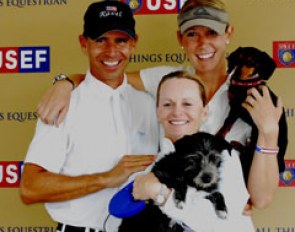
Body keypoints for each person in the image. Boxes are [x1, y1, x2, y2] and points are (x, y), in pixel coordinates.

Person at [36, 0, 285, 213]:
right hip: (167, 217)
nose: (202, 43)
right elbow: (107, 75)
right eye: (192, 34)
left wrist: (269, 132)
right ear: (180, 38)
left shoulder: (256, 97)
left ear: (228, 33)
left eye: (212, 33)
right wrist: (66, 83)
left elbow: (261, 199)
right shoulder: (168, 80)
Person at [20, 1, 159, 232]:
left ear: (134, 44)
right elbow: (30, 188)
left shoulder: (150, 105)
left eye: (121, 40)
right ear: (84, 43)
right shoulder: (63, 104)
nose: (111, 51)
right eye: (101, 39)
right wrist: (106, 178)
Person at [128, 70, 255, 231]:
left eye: (187, 104)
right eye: (167, 104)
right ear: (157, 111)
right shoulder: (150, 168)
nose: (177, 112)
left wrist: (161, 194)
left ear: (204, 112)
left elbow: (219, 223)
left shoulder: (221, 156)